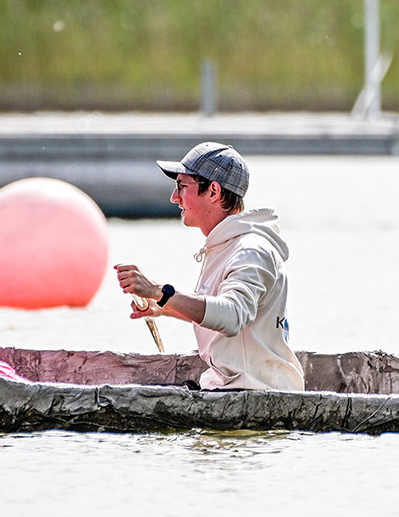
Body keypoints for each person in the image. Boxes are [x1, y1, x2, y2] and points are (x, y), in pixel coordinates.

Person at [115, 141, 305, 392]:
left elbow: (232, 316)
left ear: (213, 191)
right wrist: (163, 307)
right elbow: (222, 313)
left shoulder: (250, 250)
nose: (174, 197)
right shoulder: (226, 245)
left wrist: (161, 292)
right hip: (233, 387)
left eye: (182, 187)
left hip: (256, 391)